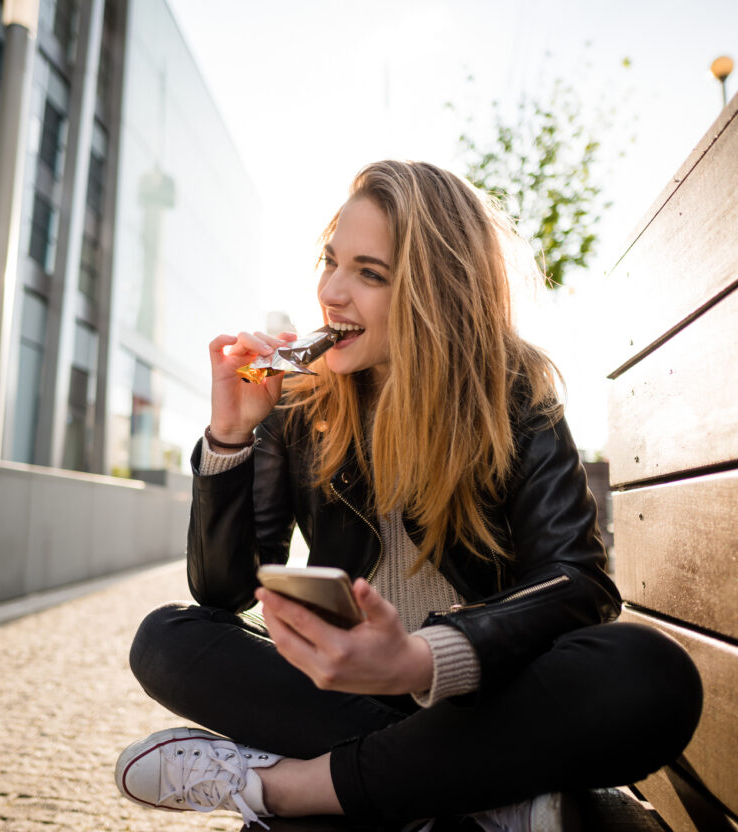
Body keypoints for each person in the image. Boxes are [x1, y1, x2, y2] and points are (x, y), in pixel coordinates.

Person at [115, 161, 702, 831]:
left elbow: (578, 584)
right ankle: (481, 796)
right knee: (166, 638)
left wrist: (418, 658)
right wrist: (229, 439)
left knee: (652, 673)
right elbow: (224, 593)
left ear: (436, 290)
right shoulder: (298, 405)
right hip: (342, 697)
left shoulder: (514, 394)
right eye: (331, 262)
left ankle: (290, 789)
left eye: (370, 274)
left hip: (481, 697)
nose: (333, 292)